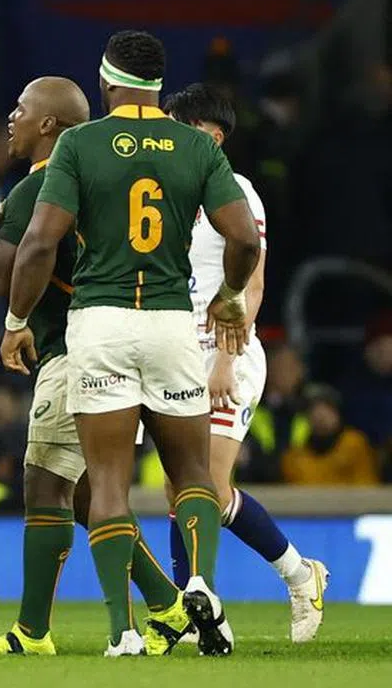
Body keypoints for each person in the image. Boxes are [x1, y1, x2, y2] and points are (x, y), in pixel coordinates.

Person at [0, 31, 260, 657]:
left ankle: (122, 630)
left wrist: (16, 320)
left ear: (107, 80)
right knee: (192, 471)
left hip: (99, 323)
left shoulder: (80, 145)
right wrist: (228, 295)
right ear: (158, 86)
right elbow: (244, 236)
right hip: (171, 321)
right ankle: (197, 577)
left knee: (108, 483)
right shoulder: (197, 146)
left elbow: (38, 243)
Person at [0, 77, 191, 657]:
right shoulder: (83, 182)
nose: (9, 118)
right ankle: (171, 607)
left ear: (48, 126)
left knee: (46, 483)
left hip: (71, 350)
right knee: (93, 498)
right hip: (116, 344)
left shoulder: (40, 186)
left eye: (20, 108)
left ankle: (32, 632)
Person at [162, 82, 328, 644]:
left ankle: (296, 575)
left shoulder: (238, 195)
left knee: (205, 484)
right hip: (173, 351)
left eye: (176, 128)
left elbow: (251, 288)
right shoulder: (166, 193)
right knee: (182, 490)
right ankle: (202, 613)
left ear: (210, 136)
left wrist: (224, 364)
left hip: (224, 355)